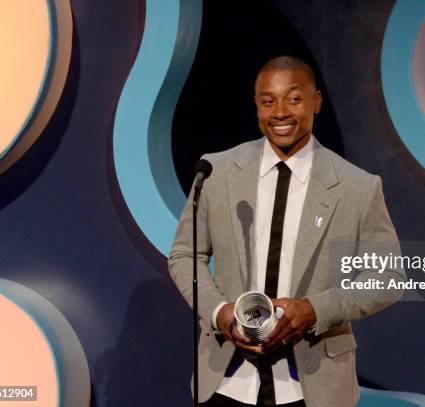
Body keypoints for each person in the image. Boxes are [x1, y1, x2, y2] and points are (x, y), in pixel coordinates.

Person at [168, 55, 405, 407]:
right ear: (256, 106)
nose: (280, 112)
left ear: (316, 101)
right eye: (268, 101)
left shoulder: (357, 187)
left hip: (312, 389)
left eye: (294, 98)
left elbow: (387, 276)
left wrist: (314, 309)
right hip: (225, 382)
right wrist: (220, 312)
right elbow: (186, 254)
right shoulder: (216, 172)